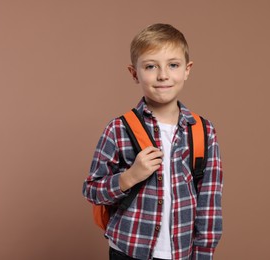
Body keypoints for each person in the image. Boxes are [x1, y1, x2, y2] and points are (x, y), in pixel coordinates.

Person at [82, 23, 223, 260]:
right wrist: (129, 177)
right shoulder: (119, 129)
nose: (163, 75)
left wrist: (203, 254)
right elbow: (92, 190)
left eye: (173, 65)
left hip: (183, 253)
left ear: (187, 70)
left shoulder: (203, 131)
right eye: (150, 66)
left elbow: (209, 203)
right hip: (128, 250)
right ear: (134, 73)